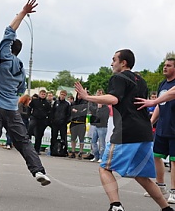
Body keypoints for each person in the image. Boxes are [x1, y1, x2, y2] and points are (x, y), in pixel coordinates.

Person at [74, 49, 173, 211]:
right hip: (144, 132)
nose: (111, 63)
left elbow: (114, 99)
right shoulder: (140, 80)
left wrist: (87, 97)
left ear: (123, 62)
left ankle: (116, 205)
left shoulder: (118, 77)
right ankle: (166, 208)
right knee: (141, 176)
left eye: (114, 60)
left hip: (126, 131)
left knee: (105, 168)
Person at [0, 0, 50, 196]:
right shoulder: (20, 68)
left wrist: (23, 13)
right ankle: (38, 171)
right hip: (12, 109)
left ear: (9, 48)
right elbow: (20, 89)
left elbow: (10, 29)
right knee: (24, 142)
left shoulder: (2, 56)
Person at [142, 58, 175, 202]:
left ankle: (174, 191)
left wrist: (153, 101)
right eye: (164, 65)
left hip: (174, 129)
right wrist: (151, 122)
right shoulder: (162, 84)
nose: (164, 67)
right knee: (156, 156)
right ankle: (160, 186)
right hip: (163, 127)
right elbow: (159, 106)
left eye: (168, 66)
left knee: (174, 161)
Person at [89, 89, 110, 163]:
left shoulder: (106, 108)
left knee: (102, 143)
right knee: (93, 142)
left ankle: (102, 157)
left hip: (102, 127)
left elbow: (103, 117)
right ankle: (96, 156)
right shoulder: (95, 106)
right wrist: (97, 108)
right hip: (95, 126)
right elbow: (91, 109)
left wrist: (100, 109)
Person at [29, 89, 51, 154]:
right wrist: (30, 115)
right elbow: (29, 107)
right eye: (42, 94)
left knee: (39, 135)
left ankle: (37, 149)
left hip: (42, 120)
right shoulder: (35, 101)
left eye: (44, 94)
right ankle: (28, 143)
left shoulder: (47, 103)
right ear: (39, 94)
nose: (43, 95)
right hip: (34, 118)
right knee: (30, 127)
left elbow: (49, 112)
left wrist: (47, 120)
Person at [50, 90, 71, 156]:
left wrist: (66, 122)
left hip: (63, 123)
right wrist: (52, 121)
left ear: (65, 96)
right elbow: (52, 112)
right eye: (61, 94)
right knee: (53, 137)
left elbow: (69, 114)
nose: (62, 96)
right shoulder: (55, 102)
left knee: (63, 137)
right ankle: (53, 150)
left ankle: (63, 151)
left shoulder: (67, 104)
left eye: (64, 95)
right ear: (59, 94)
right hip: (55, 123)